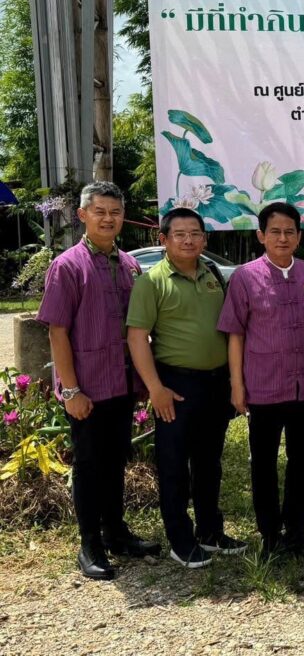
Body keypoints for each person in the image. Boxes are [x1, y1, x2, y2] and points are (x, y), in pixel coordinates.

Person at [36, 182, 160, 580]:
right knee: (89, 465)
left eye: (115, 212)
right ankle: (89, 542)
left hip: (122, 385)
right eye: (100, 211)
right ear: (83, 216)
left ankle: (116, 532)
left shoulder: (129, 265)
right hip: (86, 388)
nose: (109, 219)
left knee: (115, 459)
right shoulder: (67, 266)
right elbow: (57, 332)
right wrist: (70, 391)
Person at [126, 207, 246, 568]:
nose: (189, 239)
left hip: (215, 383)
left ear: (205, 239)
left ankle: (210, 532)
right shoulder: (151, 282)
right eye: (179, 234)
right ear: (163, 240)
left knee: (209, 463)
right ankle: (181, 539)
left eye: (195, 233)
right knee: (175, 465)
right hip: (175, 385)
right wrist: (155, 388)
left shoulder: (211, 274)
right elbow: (136, 338)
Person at [217, 203, 304, 560]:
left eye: (290, 232)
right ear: (261, 235)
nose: (283, 238)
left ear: (298, 236)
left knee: (302, 458)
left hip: (303, 387)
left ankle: (296, 531)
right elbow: (235, 334)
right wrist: (237, 384)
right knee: (263, 462)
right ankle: (269, 533)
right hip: (263, 386)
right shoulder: (245, 277)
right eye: (275, 232)